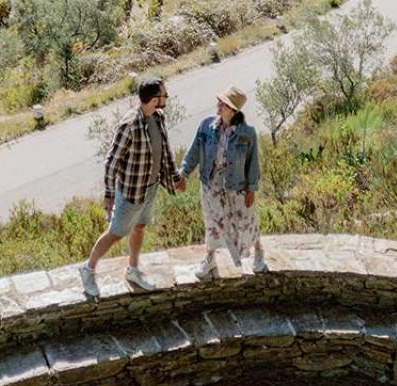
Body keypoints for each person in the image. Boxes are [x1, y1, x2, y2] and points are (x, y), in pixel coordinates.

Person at [80, 75, 184, 296]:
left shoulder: (159, 117)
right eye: (164, 94)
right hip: (131, 192)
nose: (167, 97)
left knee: (140, 227)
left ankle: (133, 269)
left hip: (151, 187)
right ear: (154, 99)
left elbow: (164, 150)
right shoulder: (130, 124)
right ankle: (88, 269)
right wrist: (108, 194)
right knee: (116, 232)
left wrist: (175, 176)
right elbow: (111, 163)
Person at [181, 85, 265, 279]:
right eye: (219, 102)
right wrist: (183, 172)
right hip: (211, 187)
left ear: (233, 110)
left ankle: (259, 253)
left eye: (223, 104)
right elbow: (193, 152)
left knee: (246, 222)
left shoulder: (247, 133)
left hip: (237, 188)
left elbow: (253, 163)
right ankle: (209, 259)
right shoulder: (206, 126)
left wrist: (252, 189)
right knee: (212, 224)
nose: (218, 106)